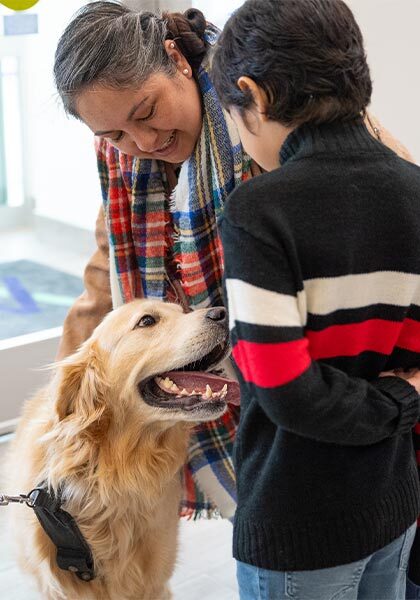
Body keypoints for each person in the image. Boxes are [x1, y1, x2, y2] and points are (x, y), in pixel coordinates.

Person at [54, 1, 415, 531]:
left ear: (176, 59)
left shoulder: (274, 109)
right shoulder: (124, 163)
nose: (144, 144)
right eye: (114, 136)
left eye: (147, 112)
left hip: (331, 387)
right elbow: (106, 276)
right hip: (232, 383)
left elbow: (398, 206)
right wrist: (59, 416)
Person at [212, 0, 420, 598]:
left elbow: (286, 393)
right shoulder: (413, 193)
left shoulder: (258, 211)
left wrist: (400, 400)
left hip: (297, 525)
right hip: (394, 503)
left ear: (254, 97)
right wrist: (404, 394)